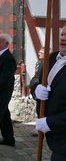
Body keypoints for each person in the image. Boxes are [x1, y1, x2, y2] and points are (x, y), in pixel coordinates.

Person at [35, 25, 66, 161]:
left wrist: (50, 122)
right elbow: (36, 79)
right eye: (62, 35)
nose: (63, 38)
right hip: (52, 136)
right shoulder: (51, 58)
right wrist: (36, 88)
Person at [29, 47, 45, 136]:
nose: (39, 53)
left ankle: (39, 129)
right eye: (39, 52)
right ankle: (38, 128)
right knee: (38, 110)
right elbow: (36, 75)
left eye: (41, 52)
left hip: (43, 89)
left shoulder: (46, 62)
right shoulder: (38, 63)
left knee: (41, 110)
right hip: (37, 87)